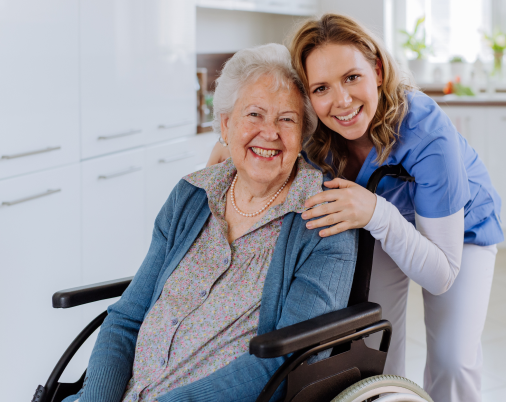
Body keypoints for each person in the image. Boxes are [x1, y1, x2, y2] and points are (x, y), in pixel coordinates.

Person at [207, 14, 503, 402]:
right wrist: (228, 145)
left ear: (377, 71)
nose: (341, 101)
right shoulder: (314, 131)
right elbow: (266, 137)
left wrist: (378, 213)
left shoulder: (428, 134)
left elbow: (441, 275)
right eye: (321, 88)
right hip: (376, 222)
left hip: (459, 233)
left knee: (453, 360)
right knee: (376, 346)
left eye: (352, 77)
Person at [64, 43, 358, 402]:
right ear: (226, 124)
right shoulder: (191, 195)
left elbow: (291, 359)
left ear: (303, 136)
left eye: (287, 119)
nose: (269, 132)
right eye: (254, 114)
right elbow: (126, 320)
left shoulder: (324, 218)